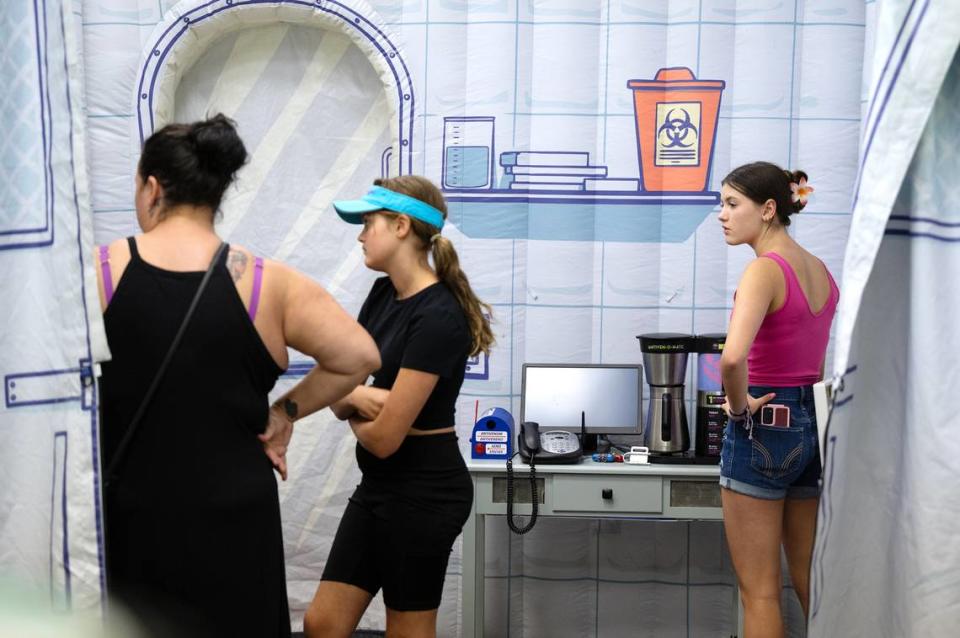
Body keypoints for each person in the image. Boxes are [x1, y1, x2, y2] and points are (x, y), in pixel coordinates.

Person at [95, 114, 380, 638]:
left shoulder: (100, 271)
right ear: (215, 193)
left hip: (130, 517)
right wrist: (284, 411)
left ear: (152, 188)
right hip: (234, 520)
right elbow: (359, 355)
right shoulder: (265, 283)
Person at [301, 176, 493, 638]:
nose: (361, 234)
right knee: (322, 624)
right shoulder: (384, 294)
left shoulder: (439, 316)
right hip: (379, 488)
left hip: (426, 494)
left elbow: (384, 439)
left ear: (402, 225)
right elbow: (342, 378)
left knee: (406, 630)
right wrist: (362, 397)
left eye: (368, 223)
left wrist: (350, 400)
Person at [717, 161, 839, 637]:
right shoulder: (820, 270)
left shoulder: (763, 271)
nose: (721, 215)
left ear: (768, 209)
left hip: (764, 425)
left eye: (732, 204)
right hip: (812, 425)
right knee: (812, 581)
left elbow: (731, 359)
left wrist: (739, 406)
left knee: (761, 593)